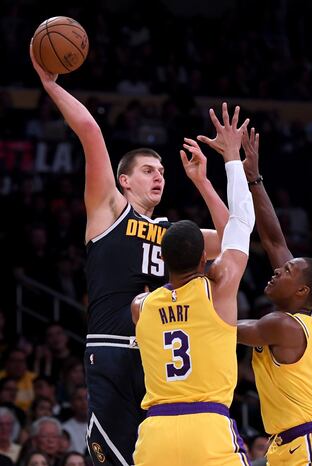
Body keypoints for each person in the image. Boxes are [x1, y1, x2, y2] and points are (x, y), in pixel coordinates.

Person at [29, 46, 230, 466]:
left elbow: (234, 242)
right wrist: (51, 85)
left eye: (162, 171)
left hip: (162, 359)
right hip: (114, 349)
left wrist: (203, 182)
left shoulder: (175, 234)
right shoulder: (108, 210)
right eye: (147, 170)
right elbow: (90, 131)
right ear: (123, 180)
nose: (158, 175)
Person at [199, 120, 312, 465]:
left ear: (301, 290)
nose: (278, 270)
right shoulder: (305, 312)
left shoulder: (282, 324)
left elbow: (222, 327)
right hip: (287, 444)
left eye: (287, 272)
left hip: (311, 445)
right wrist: (254, 177)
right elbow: (274, 240)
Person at [131, 105, 254, 465]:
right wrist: (230, 157)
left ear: (163, 261)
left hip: (154, 435)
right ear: (205, 258)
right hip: (207, 427)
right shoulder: (219, 290)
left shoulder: (140, 305)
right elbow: (238, 225)